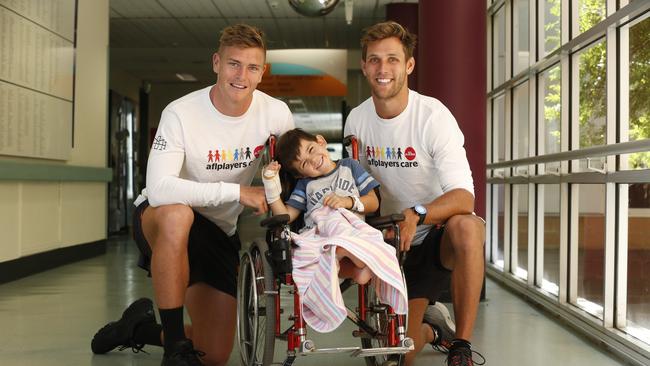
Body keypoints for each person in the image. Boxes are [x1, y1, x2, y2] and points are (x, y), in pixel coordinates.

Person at [90, 24, 294, 366]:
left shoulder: (275, 113)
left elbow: (292, 171)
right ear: (216, 62)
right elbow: (159, 188)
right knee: (177, 214)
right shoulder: (180, 112)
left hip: (219, 231)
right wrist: (237, 191)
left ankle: (137, 329)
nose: (241, 75)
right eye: (233, 63)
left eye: (252, 67)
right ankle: (174, 351)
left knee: (212, 354)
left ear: (262, 73)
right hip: (161, 219)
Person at [344, 21, 486, 366]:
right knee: (399, 355)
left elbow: (464, 198)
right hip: (388, 241)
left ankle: (461, 346)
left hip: (432, 235)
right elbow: (354, 188)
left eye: (393, 59)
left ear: (409, 65)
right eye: (375, 60)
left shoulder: (433, 117)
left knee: (468, 226)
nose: (383, 69)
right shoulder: (357, 122)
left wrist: (417, 213)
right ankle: (434, 328)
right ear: (364, 66)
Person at [262, 128, 380, 284]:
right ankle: (355, 269)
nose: (312, 160)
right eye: (304, 163)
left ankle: (344, 252)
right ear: (301, 175)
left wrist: (347, 202)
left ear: (321, 141)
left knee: (339, 223)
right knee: (300, 255)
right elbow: (285, 216)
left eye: (311, 150)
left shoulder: (350, 166)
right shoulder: (305, 184)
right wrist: (271, 186)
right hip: (318, 236)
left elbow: (373, 202)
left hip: (350, 229)